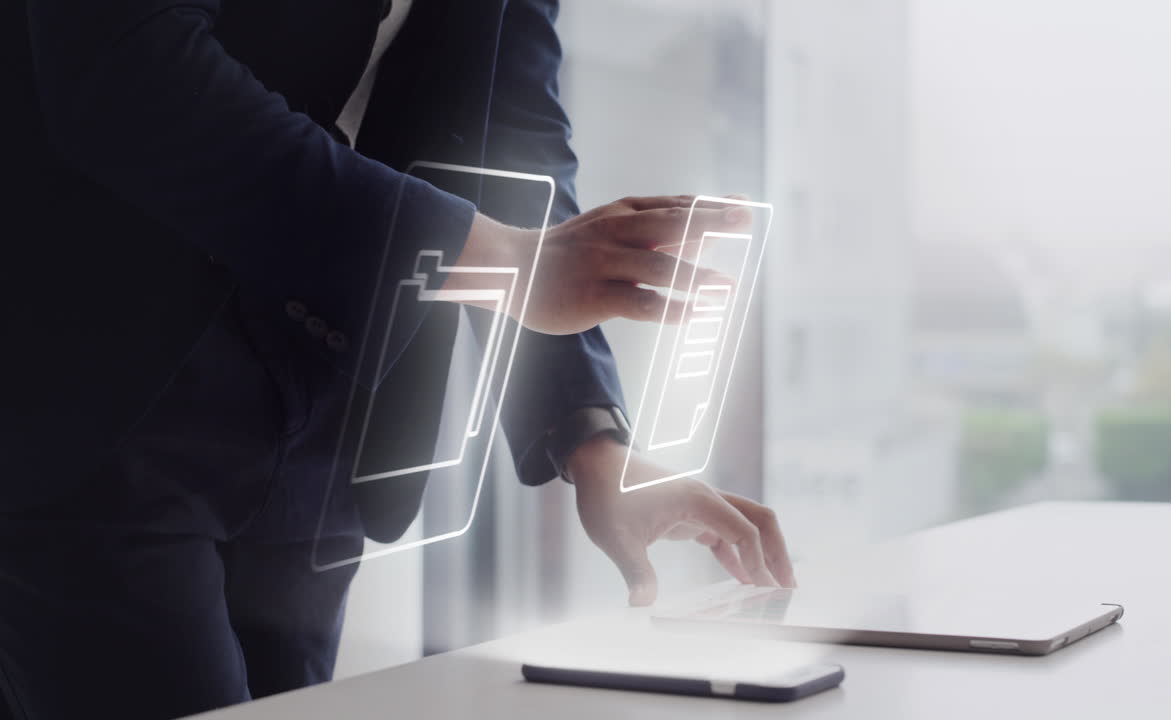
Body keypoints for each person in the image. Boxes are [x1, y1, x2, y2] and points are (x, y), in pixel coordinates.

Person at [1, 1, 796, 718]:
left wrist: (591, 439)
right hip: (107, 394)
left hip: (329, 405)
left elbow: (508, 125)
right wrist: (495, 260)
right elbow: (125, 73)